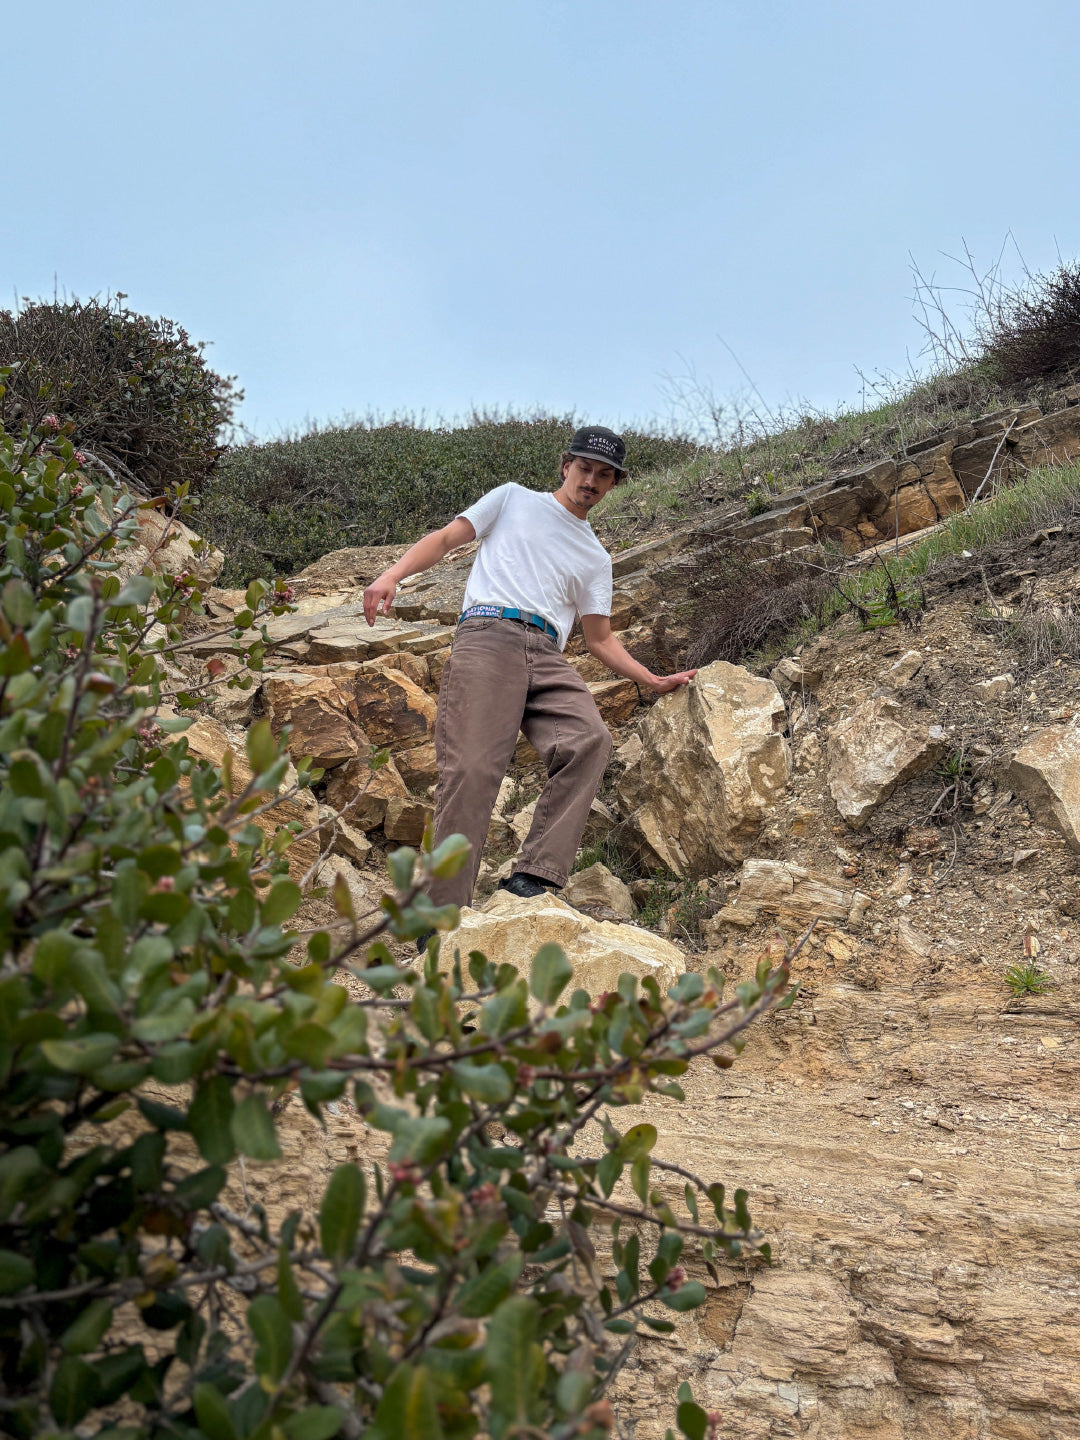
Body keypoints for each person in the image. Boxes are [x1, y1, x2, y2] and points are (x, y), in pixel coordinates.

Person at [362, 425, 697, 923]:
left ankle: (534, 874)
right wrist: (392, 575)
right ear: (566, 466)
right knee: (473, 769)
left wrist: (650, 680)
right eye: (584, 468)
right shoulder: (513, 499)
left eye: (604, 475)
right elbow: (448, 539)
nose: (591, 481)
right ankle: (440, 916)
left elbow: (600, 639)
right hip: (488, 635)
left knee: (589, 739)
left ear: (612, 485)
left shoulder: (596, 557)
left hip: (547, 652)